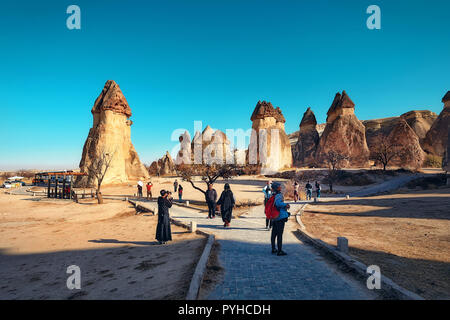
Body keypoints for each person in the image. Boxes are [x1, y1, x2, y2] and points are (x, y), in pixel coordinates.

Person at [270, 182, 290, 256]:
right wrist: (285, 205)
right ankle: (279, 250)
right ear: (277, 187)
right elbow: (278, 204)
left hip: (274, 217)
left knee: (274, 234)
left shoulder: (273, 195)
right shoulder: (279, 195)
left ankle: (273, 248)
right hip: (280, 217)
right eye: (279, 186)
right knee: (279, 234)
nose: (281, 187)